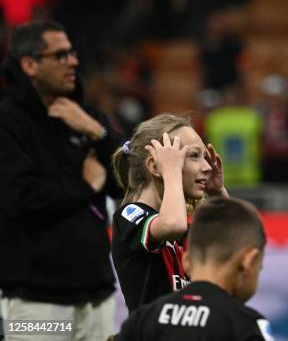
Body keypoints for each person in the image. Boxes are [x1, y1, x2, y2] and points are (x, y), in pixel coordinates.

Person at [0, 20, 121, 340]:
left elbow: (127, 182)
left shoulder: (86, 118)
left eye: (73, 53)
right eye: (61, 55)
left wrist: (100, 133)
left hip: (97, 297)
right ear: (30, 64)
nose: (74, 61)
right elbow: (22, 199)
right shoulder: (7, 124)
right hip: (36, 302)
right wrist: (86, 187)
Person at [111, 113, 227, 312]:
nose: (207, 167)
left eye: (204, 158)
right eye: (193, 156)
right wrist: (171, 171)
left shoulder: (180, 228)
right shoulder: (130, 215)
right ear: (155, 166)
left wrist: (217, 195)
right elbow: (172, 225)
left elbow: (232, 242)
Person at [114, 196, 273, 341]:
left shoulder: (141, 322)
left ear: (187, 261)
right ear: (248, 262)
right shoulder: (247, 326)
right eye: (260, 267)